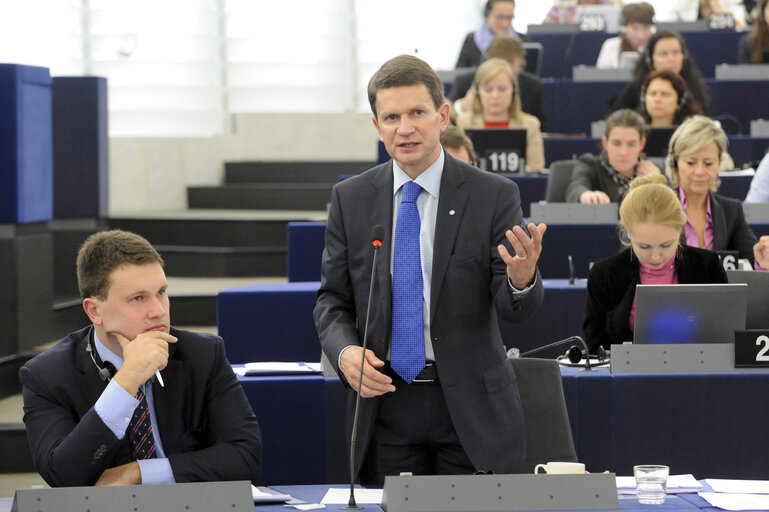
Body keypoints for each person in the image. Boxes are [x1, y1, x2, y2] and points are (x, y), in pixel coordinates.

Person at [314, 54, 546, 486]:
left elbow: (516, 310)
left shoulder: (493, 195)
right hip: (386, 404)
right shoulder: (351, 199)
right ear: (377, 126)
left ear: (442, 116)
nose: (405, 128)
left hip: (470, 409)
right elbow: (332, 300)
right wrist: (345, 352)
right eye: (392, 117)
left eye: (417, 113)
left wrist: (520, 279)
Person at [20, 230, 262, 487]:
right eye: (138, 298)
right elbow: (63, 476)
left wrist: (138, 473)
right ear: (94, 311)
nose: (158, 311)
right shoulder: (47, 376)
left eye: (161, 292)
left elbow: (246, 458)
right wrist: (126, 382)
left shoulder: (202, 354)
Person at [583, 174, 728, 352]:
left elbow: (724, 333)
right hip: (628, 375)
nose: (656, 256)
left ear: (680, 229)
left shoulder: (708, 265)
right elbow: (595, 345)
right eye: (644, 246)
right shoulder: (604, 274)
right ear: (628, 232)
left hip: (697, 372)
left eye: (666, 245)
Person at [666, 116, 769, 267]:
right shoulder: (658, 208)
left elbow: (753, 260)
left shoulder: (731, 211)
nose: (700, 171)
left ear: (719, 162)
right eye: (691, 162)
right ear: (675, 162)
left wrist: (762, 257)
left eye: (708, 163)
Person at [456, 58, 545, 172]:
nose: (495, 95)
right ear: (478, 93)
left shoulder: (530, 125)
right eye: (488, 90)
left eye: (502, 89)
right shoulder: (464, 122)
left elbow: (535, 167)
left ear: (514, 91)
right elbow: (460, 169)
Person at [448, 34, 547, 131]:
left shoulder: (532, 86)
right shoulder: (466, 82)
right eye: (488, 89)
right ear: (487, 60)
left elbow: (542, 127)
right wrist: (461, 106)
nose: (503, 69)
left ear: (520, 62)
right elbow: (446, 119)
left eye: (510, 63)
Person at [566, 109, 661, 204]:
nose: (623, 152)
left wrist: (659, 185)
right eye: (616, 144)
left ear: (642, 144)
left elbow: (672, 207)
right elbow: (575, 187)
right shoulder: (590, 164)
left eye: (631, 144)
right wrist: (585, 195)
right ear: (605, 143)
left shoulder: (654, 170)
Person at [611, 30, 710, 115]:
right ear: (650, 59)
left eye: (676, 53)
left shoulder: (694, 86)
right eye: (663, 54)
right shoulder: (637, 88)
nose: (671, 59)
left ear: (683, 57)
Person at [455, 0, 520, 69]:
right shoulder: (472, 40)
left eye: (509, 17)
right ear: (487, 14)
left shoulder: (521, 41)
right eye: (500, 17)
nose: (505, 23)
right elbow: (459, 73)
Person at [596, 2, 656, 69]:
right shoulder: (611, 46)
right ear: (625, 27)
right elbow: (602, 75)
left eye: (646, 28)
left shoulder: (657, 46)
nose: (640, 35)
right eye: (635, 28)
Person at [639, 70, 703, 127]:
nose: (657, 99)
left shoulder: (692, 130)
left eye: (665, 94)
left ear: (679, 101)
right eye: (653, 94)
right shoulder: (634, 129)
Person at [659, 0, 747, 29]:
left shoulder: (730, 2)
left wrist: (717, 9)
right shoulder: (686, 3)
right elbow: (666, 26)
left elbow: (740, 28)